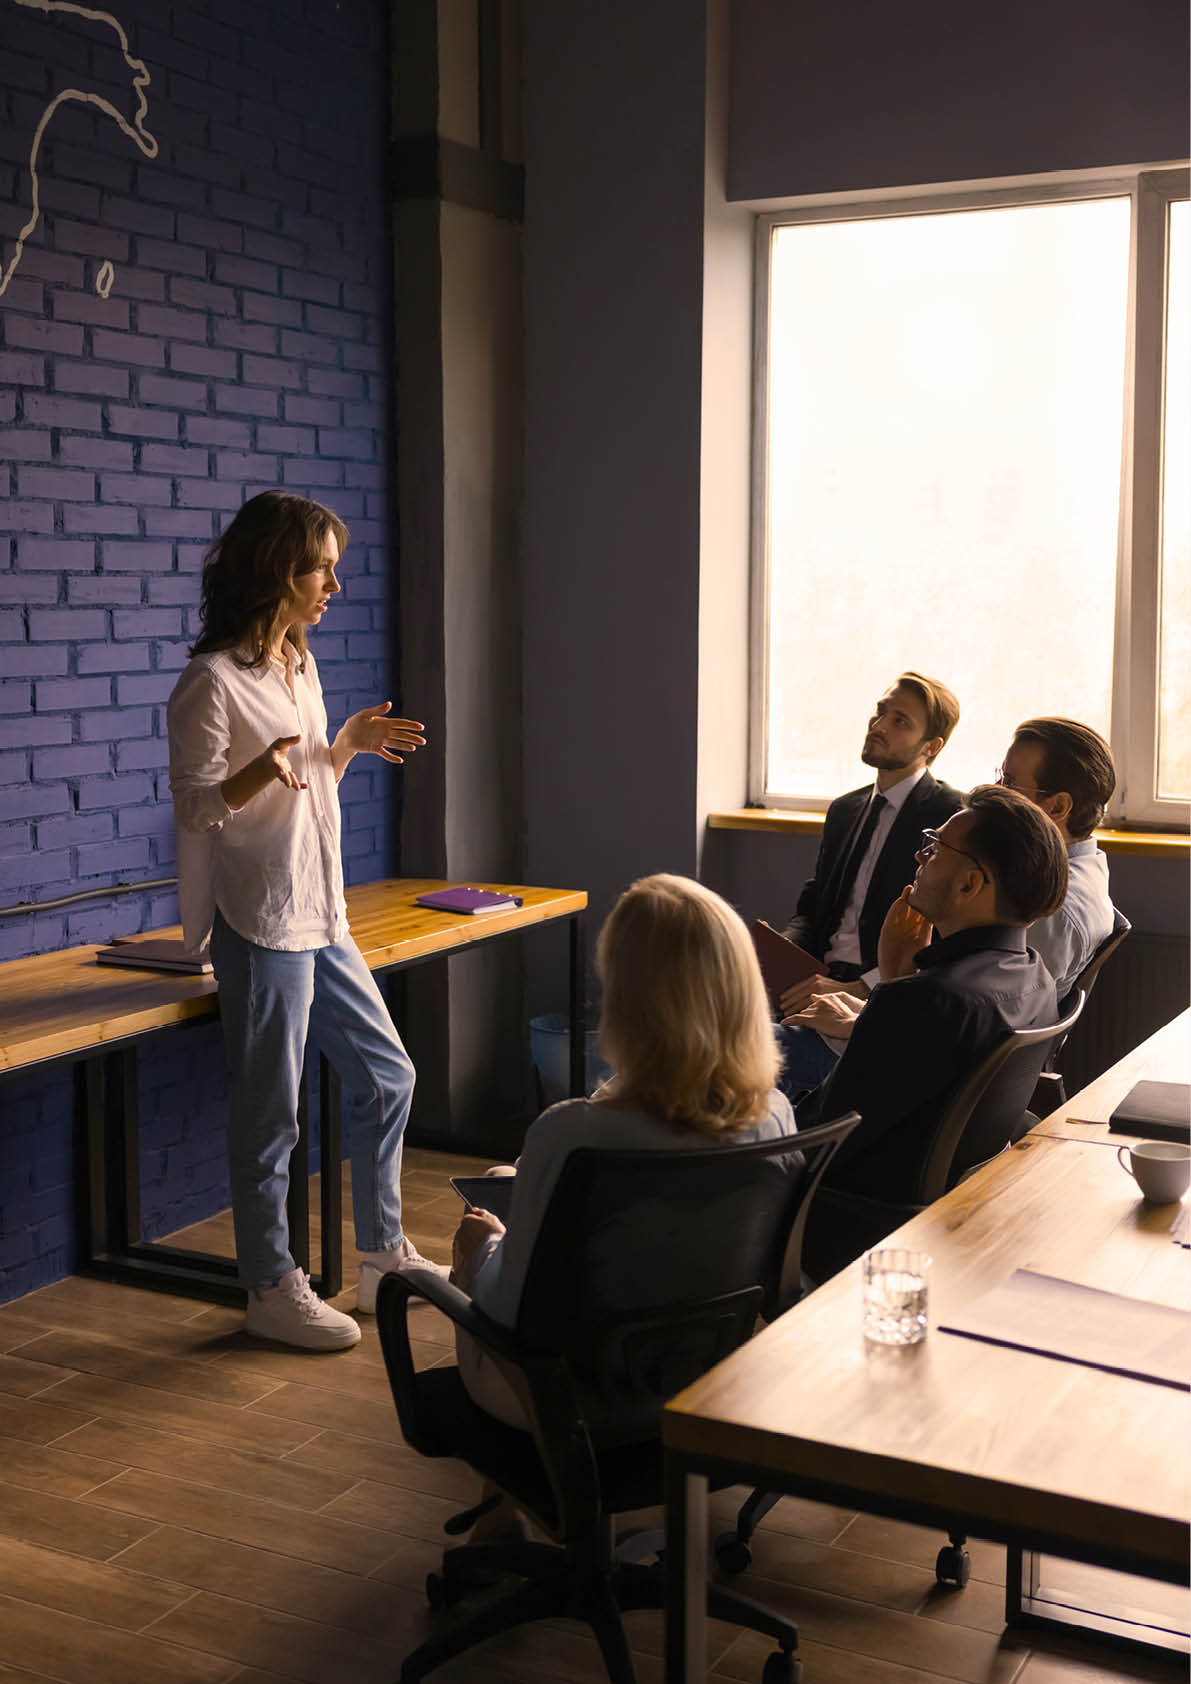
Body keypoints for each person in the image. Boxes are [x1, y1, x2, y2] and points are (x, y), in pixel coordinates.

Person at [167, 490, 446, 1352]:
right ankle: (269, 1285)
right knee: (270, 1115)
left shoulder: (299, 665)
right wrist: (259, 772)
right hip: (259, 923)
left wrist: (344, 746)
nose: (334, 581)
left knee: (387, 1075)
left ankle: (382, 1256)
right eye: (320, 565)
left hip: (322, 913)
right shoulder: (210, 682)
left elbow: (304, 784)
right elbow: (196, 809)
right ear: (274, 570)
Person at [449, 873, 797, 1435]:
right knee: (502, 1178)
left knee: (482, 1227)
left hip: (575, 1400)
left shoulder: (571, 1134)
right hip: (712, 1380)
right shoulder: (776, 1114)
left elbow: (511, 1310)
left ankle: (511, 1503)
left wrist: (481, 1249)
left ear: (627, 1002)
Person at [795, 785, 1068, 1231]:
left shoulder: (928, 1001)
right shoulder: (1035, 978)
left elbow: (817, 1140)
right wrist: (898, 974)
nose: (920, 857)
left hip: (852, 1219)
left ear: (969, 883)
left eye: (936, 848)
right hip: (950, 1208)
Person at [773, 671, 963, 1099]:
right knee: (704, 1020)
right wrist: (782, 958)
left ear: (931, 747)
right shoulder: (846, 809)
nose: (878, 726)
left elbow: (943, 935)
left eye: (900, 721)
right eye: (880, 713)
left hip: (876, 1000)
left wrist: (860, 986)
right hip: (815, 981)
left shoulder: (951, 816)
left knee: (728, 1055)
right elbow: (814, 906)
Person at [996, 717, 1116, 1000]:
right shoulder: (1084, 861)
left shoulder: (1052, 910)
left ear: (1058, 806)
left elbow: (997, 1011)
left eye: (1009, 782)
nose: (996, 791)